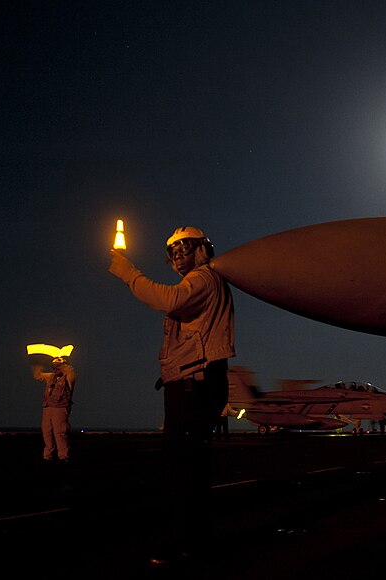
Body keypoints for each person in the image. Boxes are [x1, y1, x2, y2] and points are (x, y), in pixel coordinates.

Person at [109, 225, 235, 570]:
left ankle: (188, 545)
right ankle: (190, 541)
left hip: (195, 383)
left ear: (201, 249)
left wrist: (128, 273)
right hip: (190, 382)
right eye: (173, 250)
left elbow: (168, 300)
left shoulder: (203, 279)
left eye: (184, 247)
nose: (178, 254)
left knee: (184, 470)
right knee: (187, 468)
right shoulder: (200, 280)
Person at [31, 356, 76, 463]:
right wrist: (38, 363)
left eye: (58, 366)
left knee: (60, 433)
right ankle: (47, 456)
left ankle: (63, 457)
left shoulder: (69, 377)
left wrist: (65, 364)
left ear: (64, 366)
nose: (56, 368)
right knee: (47, 433)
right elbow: (37, 375)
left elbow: (71, 372)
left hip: (60, 408)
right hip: (47, 408)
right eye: (54, 366)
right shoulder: (50, 376)